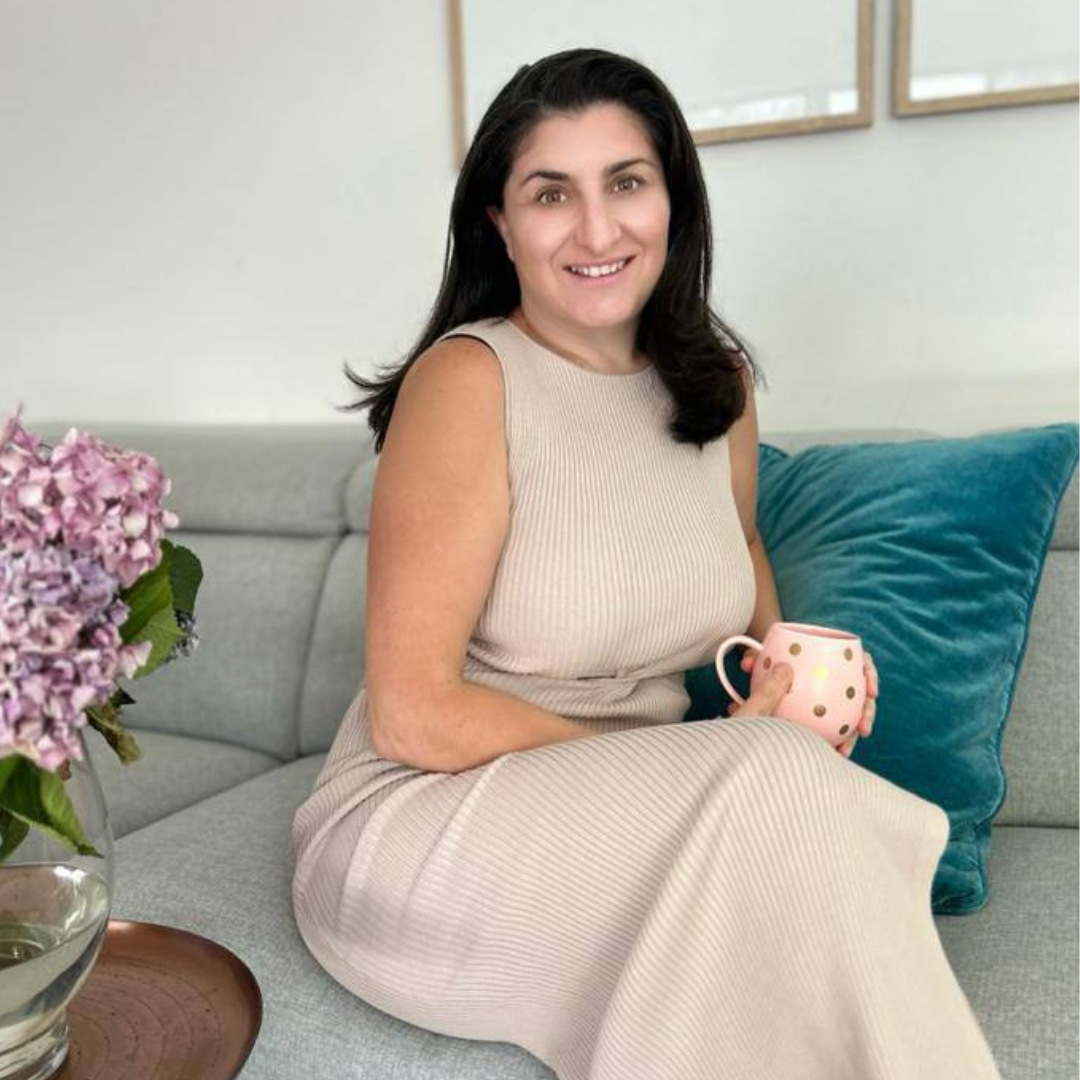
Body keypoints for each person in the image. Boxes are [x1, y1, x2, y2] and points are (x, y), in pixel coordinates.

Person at [291, 47, 1002, 1080]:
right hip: (433, 817)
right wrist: (705, 762)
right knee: (776, 790)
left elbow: (744, 585)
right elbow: (412, 715)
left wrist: (793, 684)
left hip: (657, 817)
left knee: (783, 801)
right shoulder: (469, 380)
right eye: (550, 193)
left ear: (673, 197)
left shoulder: (718, 388)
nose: (596, 230)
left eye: (626, 182)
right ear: (498, 218)